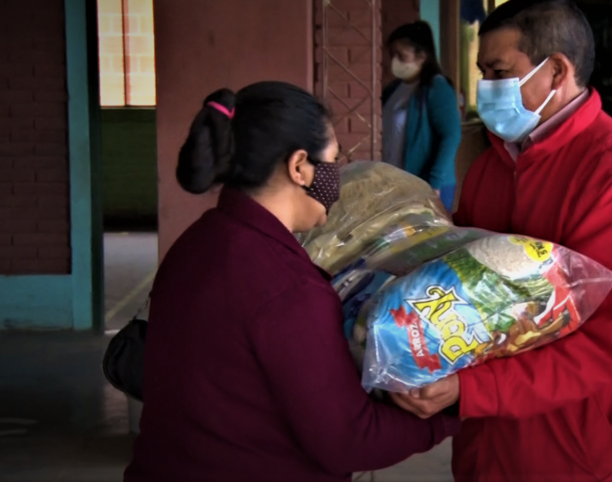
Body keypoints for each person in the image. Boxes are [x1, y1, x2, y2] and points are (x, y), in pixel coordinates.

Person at [391, 0, 612, 481]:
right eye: (482, 73)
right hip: (498, 439)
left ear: (556, 71)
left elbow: (598, 343)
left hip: (594, 448)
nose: (485, 88)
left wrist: (470, 391)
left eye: (498, 73)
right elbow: (469, 289)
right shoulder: (494, 162)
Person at [123, 82, 460, 482]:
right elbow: (350, 439)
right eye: (333, 161)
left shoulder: (195, 242)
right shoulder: (289, 288)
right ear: (300, 166)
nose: (337, 178)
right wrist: (451, 413)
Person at [381, 21, 462, 211]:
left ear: (422, 56)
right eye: (392, 55)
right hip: (396, 183)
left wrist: (434, 182)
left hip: (428, 185)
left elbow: (451, 136)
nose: (394, 61)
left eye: (401, 56)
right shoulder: (393, 90)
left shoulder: (437, 88)